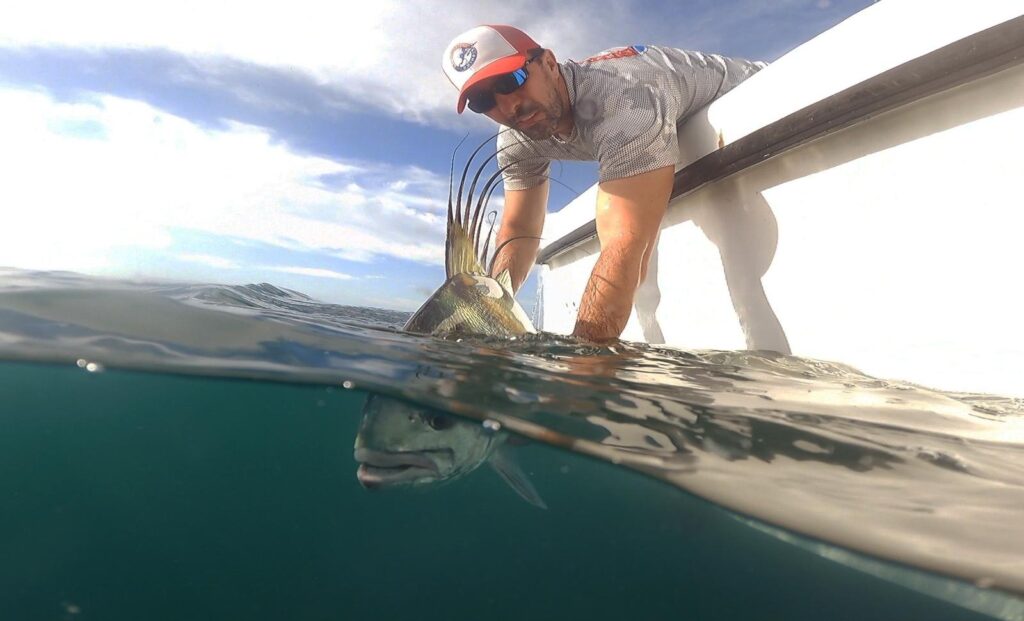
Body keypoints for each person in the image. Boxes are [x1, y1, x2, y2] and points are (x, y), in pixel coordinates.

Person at [442, 24, 765, 342]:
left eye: (512, 79)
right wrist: (485, 320)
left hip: (767, 91)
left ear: (549, 64)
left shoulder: (624, 99)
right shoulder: (516, 138)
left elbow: (626, 242)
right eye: (483, 102)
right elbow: (518, 229)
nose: (508, 106)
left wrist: (583, 370)